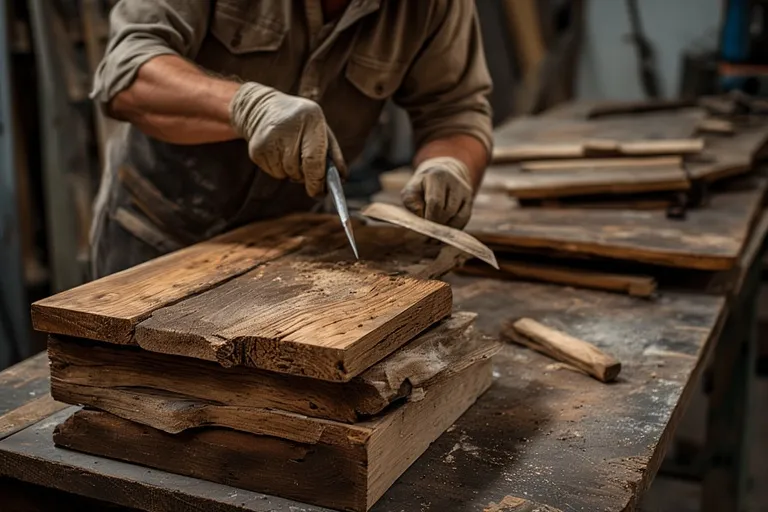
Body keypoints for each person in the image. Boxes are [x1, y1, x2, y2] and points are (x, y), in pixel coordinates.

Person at [90, 0, 493, 278]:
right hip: (160, 235)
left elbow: (455, 110)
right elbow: (125, 76)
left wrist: (450, 164)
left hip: (293, 242)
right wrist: (245, 105)